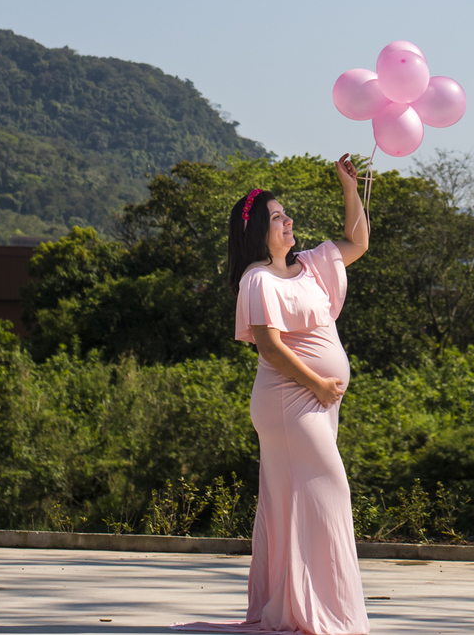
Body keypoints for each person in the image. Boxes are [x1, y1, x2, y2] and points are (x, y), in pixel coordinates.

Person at [173, 156, 370, 635]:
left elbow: (359, 241)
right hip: (289, 400)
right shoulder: (257, 279)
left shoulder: (313, 264)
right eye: (279, 217)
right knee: (331, 490)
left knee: (294, 501)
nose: (289, 221)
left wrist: (350, 187)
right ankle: (327, 614)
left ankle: (295, 608)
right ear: (259, 230)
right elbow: (270, 347)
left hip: (317, 402)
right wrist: (321, 384)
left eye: (287, 214)